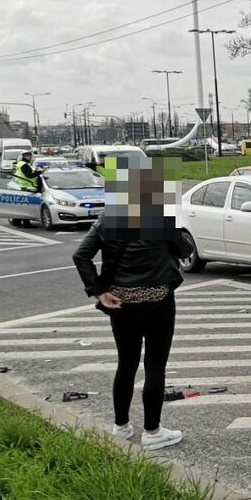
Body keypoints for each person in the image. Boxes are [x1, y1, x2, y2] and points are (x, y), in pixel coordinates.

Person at [72, 159, 191, 450]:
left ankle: (121, 426)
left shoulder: (107, 220)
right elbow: (185, 250)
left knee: (126, 364)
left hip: (120, 303)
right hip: (158, 302)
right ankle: (152, 433)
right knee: (155, 365)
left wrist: (99, 291)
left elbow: (80, 256)